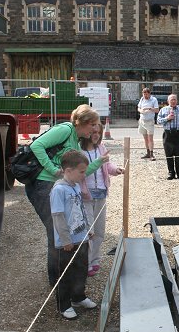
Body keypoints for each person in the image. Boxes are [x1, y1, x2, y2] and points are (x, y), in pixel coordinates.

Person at [25, 104, 109, 287]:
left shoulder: (76, 140)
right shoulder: (65, 130)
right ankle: (57, 283)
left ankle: (65, 277)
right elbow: (36, 145)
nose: (95, 129)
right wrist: (53, 169)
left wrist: (98, 163)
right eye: (93, 124)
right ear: (83, 122)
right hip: (42, 184)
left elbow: (79, 172)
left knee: (66, 231)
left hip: (55, 185)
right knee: (56, 232)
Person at [50, 149, 97, 320]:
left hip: (81, 238)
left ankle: (78, 297)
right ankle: (64, 305)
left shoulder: (76, 186)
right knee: (66, 274)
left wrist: (87, 228)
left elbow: (80, 209)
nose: (84, 175)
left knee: (81, 270)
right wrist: (65, 239)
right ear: (68, 171)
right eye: (82, 172)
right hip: (67, 243)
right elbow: (58, 216)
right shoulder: (59, 190)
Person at [80, 123, 124, 276]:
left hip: (101, 193)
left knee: (99, 230)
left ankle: (95, 260)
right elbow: (81, 172)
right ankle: (85, 263)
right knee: (88, 231)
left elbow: (107, 164)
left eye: (99, 132)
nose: (96, 135)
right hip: (86, 196)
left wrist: (115, 169)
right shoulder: (79, 150)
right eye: (93, 132)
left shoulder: (101, 147)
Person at [157, 94, 179, 180]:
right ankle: (171, 173)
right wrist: (167, 118)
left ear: (177, 101)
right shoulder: (163, 110)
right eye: (171, 100)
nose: (173, 101)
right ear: (168, 101)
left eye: (175, 99)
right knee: (169, 155)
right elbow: (158, 121)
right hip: (168, 134)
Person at [137, 87, 159, 161]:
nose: (145, 96)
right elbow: (138, 107)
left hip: (149, 121)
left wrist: (150, 109)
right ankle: (148, 152)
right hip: (142, 120)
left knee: (150, 138)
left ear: (149, 94)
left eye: (146, 94)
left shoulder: (154, 100)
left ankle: (152, 154)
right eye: (144, 94)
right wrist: (141, 111)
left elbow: (157, 110)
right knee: (145, 138)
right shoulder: (142, 99)